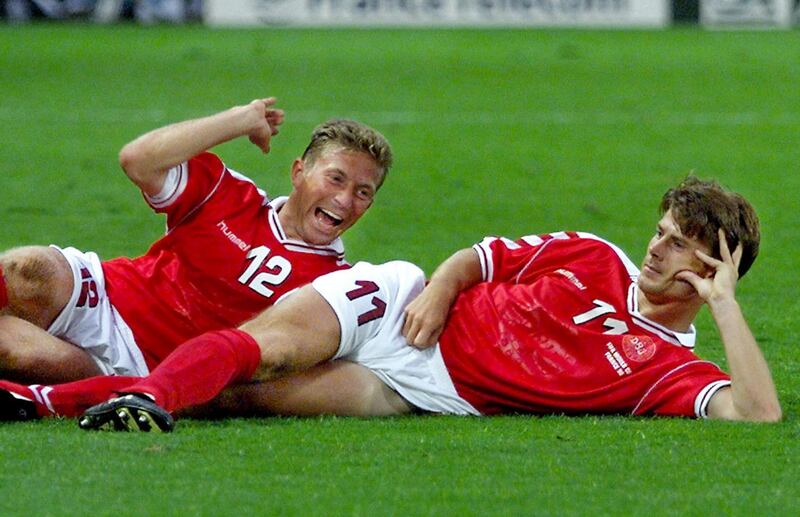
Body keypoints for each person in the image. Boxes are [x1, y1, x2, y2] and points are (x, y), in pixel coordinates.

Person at [1, 177, 782, 429]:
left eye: (678, 243)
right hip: (397, 303)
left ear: (715, 267)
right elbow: (481, 256)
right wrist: (438, 292)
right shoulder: (592, 255)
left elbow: (758, 415)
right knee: (261, 346)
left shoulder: (668, 372)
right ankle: (105, 394)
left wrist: (726, 308)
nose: (654, 248)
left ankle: (35, 400)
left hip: (426, 389)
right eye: (660, 231)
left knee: (242, 397)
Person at [0, 97, 393, 388]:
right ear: (298, 172)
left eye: (363, 192)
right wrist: (241, 119)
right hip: (103, 296)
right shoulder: (229, 194)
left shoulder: (334, 288)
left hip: (138, 368)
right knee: (27, 270)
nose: (345, 200)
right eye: (336, 178)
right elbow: (138, 159)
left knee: (18, 354)